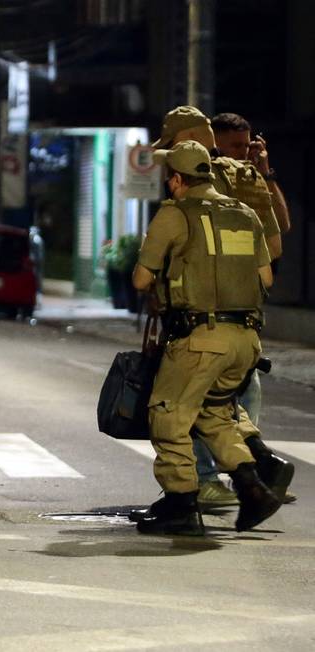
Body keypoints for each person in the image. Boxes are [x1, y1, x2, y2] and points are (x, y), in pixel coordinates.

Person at [130, 141, 281, 536]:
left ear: (177, 180)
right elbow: (266, 278)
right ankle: (253, 489)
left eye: (170, 180)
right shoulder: (245, 213)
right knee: (213, 414)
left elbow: (141, 279)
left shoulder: (174, 214)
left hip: (199, 337)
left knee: (168, 414)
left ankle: (180, 502)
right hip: (246, 340)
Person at [151, 106, 294, 508]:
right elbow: (277, 238)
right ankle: (259, 467)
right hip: (244, 314)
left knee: (179, 406)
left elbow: (167, 253)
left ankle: (205, 482)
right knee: (225, 401)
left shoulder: (200, 179)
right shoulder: (246, 179)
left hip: (201, 314)